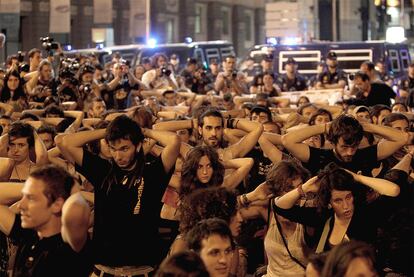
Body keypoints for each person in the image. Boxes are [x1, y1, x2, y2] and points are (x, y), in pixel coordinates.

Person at [57, 115, 180, 272]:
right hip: (103, 268)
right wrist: (107, 132)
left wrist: (142, 131)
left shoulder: (153, 173)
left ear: (138, 146)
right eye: (113, 149)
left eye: (124, 149)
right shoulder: (103, 171)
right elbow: (62, 141)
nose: (118, 156)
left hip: (141, 269)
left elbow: (174, 141)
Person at [275, 162, 400, 252]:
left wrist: (357, 177)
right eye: (338, 201)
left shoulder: (366, 214)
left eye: (348, 197)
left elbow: (394, 190)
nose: (346, 206)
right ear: (328, 202)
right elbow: (280, 206)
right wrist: (305, 188)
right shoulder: (322, 217)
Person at [0, 164, 92, 276]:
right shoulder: (30, 233)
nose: (20, 205)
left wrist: (68, 190)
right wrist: (33, 186)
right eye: (23, 196)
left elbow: (78, 210)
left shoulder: (68, 247)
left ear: (57, 204)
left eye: (31, 198)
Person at [282, 114, 408, 175]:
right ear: (332, 142)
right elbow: (287, 140)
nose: (350, 152)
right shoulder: (318, 157)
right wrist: (326, 127)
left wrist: (365, 126)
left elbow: (402, 138)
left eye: (354, 146)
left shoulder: (365, 155)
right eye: (344, 147)